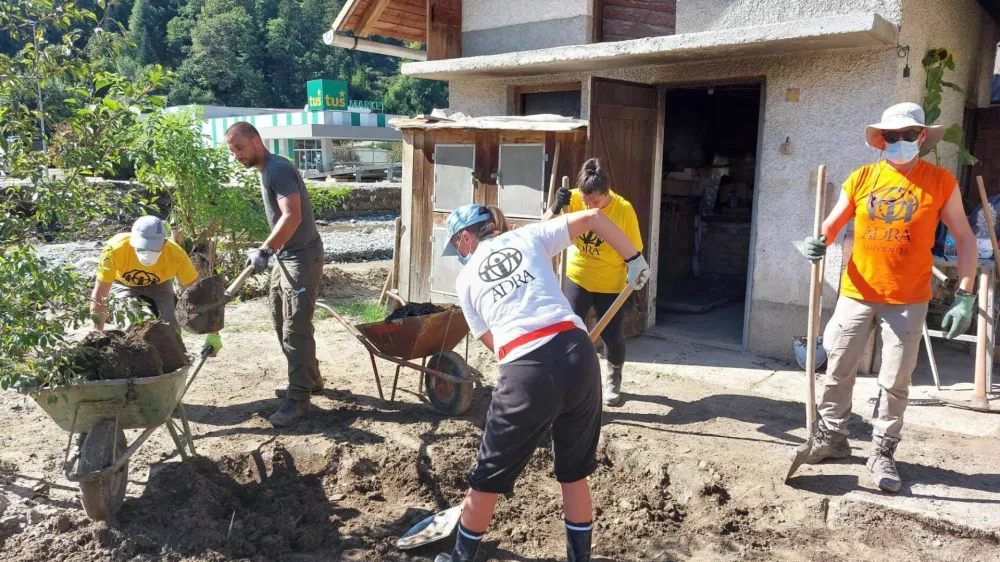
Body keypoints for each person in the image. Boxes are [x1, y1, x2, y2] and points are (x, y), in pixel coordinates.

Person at [434, 203, 650, 562]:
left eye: (457, 245)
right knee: (574, 473)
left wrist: (533, 391)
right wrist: (634, 259)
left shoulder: (466, 280)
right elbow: (594, 218)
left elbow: (496, 347)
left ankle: (459, 559)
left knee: (486, 478)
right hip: (578, 355)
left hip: (525, 368)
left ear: (468, 237)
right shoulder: (529, 236)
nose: (458, 253)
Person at [796, 102, 977, 493]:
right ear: (882, 139)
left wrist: (966, 294)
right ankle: (832, 437)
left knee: (895, 379)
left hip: (908, 298)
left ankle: (882, 449)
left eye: (908, 135)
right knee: (838, 367)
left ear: (922, 137)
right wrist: (819, 240)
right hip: (857, 292)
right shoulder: (862, 178)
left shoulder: (941, 181)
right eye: (891, 137)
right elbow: (834, 221)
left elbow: (964, 237)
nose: (899, 142)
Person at [225, 122, 325, 428]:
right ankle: (309, 380)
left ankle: (299, 399)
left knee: (294, 327)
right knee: (280, 319)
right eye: (231, 151)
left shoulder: (278, 169)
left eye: (239, 148)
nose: (236, 156)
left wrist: (265, 250)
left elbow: (292, 215)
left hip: (301, 258)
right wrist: (272, 251)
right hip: (286, 257)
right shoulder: (265, 169)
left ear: (256, 141)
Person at [543, 158, 643, 407]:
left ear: (607, 192)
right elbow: (541, 230)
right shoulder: (574, 198)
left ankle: (613, 376)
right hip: (577, 276)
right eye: (587, 202)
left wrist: (635, 273)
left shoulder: (623, 210)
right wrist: (556, 206)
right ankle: (570, 381)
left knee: (612, 337)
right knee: (568, 331)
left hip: (611, 283)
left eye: (595, 203)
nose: (589, 207)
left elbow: (635, 251)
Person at [90, 215, 222, 355]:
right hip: (123, 283)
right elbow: (100, 294)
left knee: (170, 331)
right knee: (131, 323)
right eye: (141, 248)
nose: (146, 253)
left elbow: (198, 293)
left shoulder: (176, 255)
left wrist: (214, 332)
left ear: (164, 243)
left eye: (152, 249)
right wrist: (96, 333)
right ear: (132, 241)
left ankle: (170, 365)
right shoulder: (114, 250)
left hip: (160, 285)